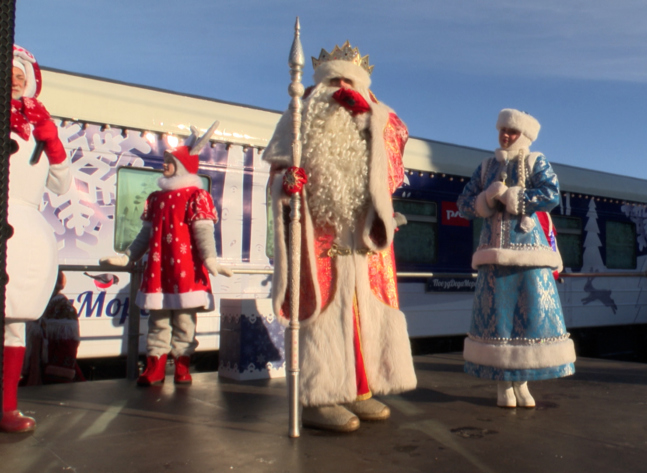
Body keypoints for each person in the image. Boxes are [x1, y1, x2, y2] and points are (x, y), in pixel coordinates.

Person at [263, 41, 416, 432]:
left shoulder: (377, 120)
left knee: (365, 311)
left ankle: (358, 391)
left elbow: (396, 161)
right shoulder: (300, 115)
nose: (341, 87)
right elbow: (275, 178)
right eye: (334, 80)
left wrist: (372, 118)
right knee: (324, 310)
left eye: (349, 80)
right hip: (320, 233)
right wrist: (286, 183)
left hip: (362, 236)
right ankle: (319, 397)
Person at [456, 109, 575, 408]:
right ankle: (502, 387)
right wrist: (486, 199)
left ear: (524, 136)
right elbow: (464, 204)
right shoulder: (485, 167)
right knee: (499, 323)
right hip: (493, 256)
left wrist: (514, 198)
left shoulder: (537, 161)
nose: (506, 135)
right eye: (503, 130)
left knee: (528, 321)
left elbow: (551, 194)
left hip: (528, 256)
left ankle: (521, 383)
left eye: (512, 131)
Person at [101, 122, 232, 386]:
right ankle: (155, 367)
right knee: (158, 321)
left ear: (182, 166)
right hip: (160, 269)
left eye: (169, 162)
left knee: (185, 321)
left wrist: (210, 259)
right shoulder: (156, 198)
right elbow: (145, 236)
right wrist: (128, 257)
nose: (164, 165)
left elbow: (203, 232)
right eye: (165, 161)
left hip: (186, 268)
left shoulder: (196, 195)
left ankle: (182, 366)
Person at [3, 45, 71, 433]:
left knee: (15, 323)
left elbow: (61, 185)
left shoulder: (39, 126)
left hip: (24, 229)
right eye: (9, 72)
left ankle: (7, 407)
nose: (15, 78)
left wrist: (54, 145)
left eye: (20, 73)